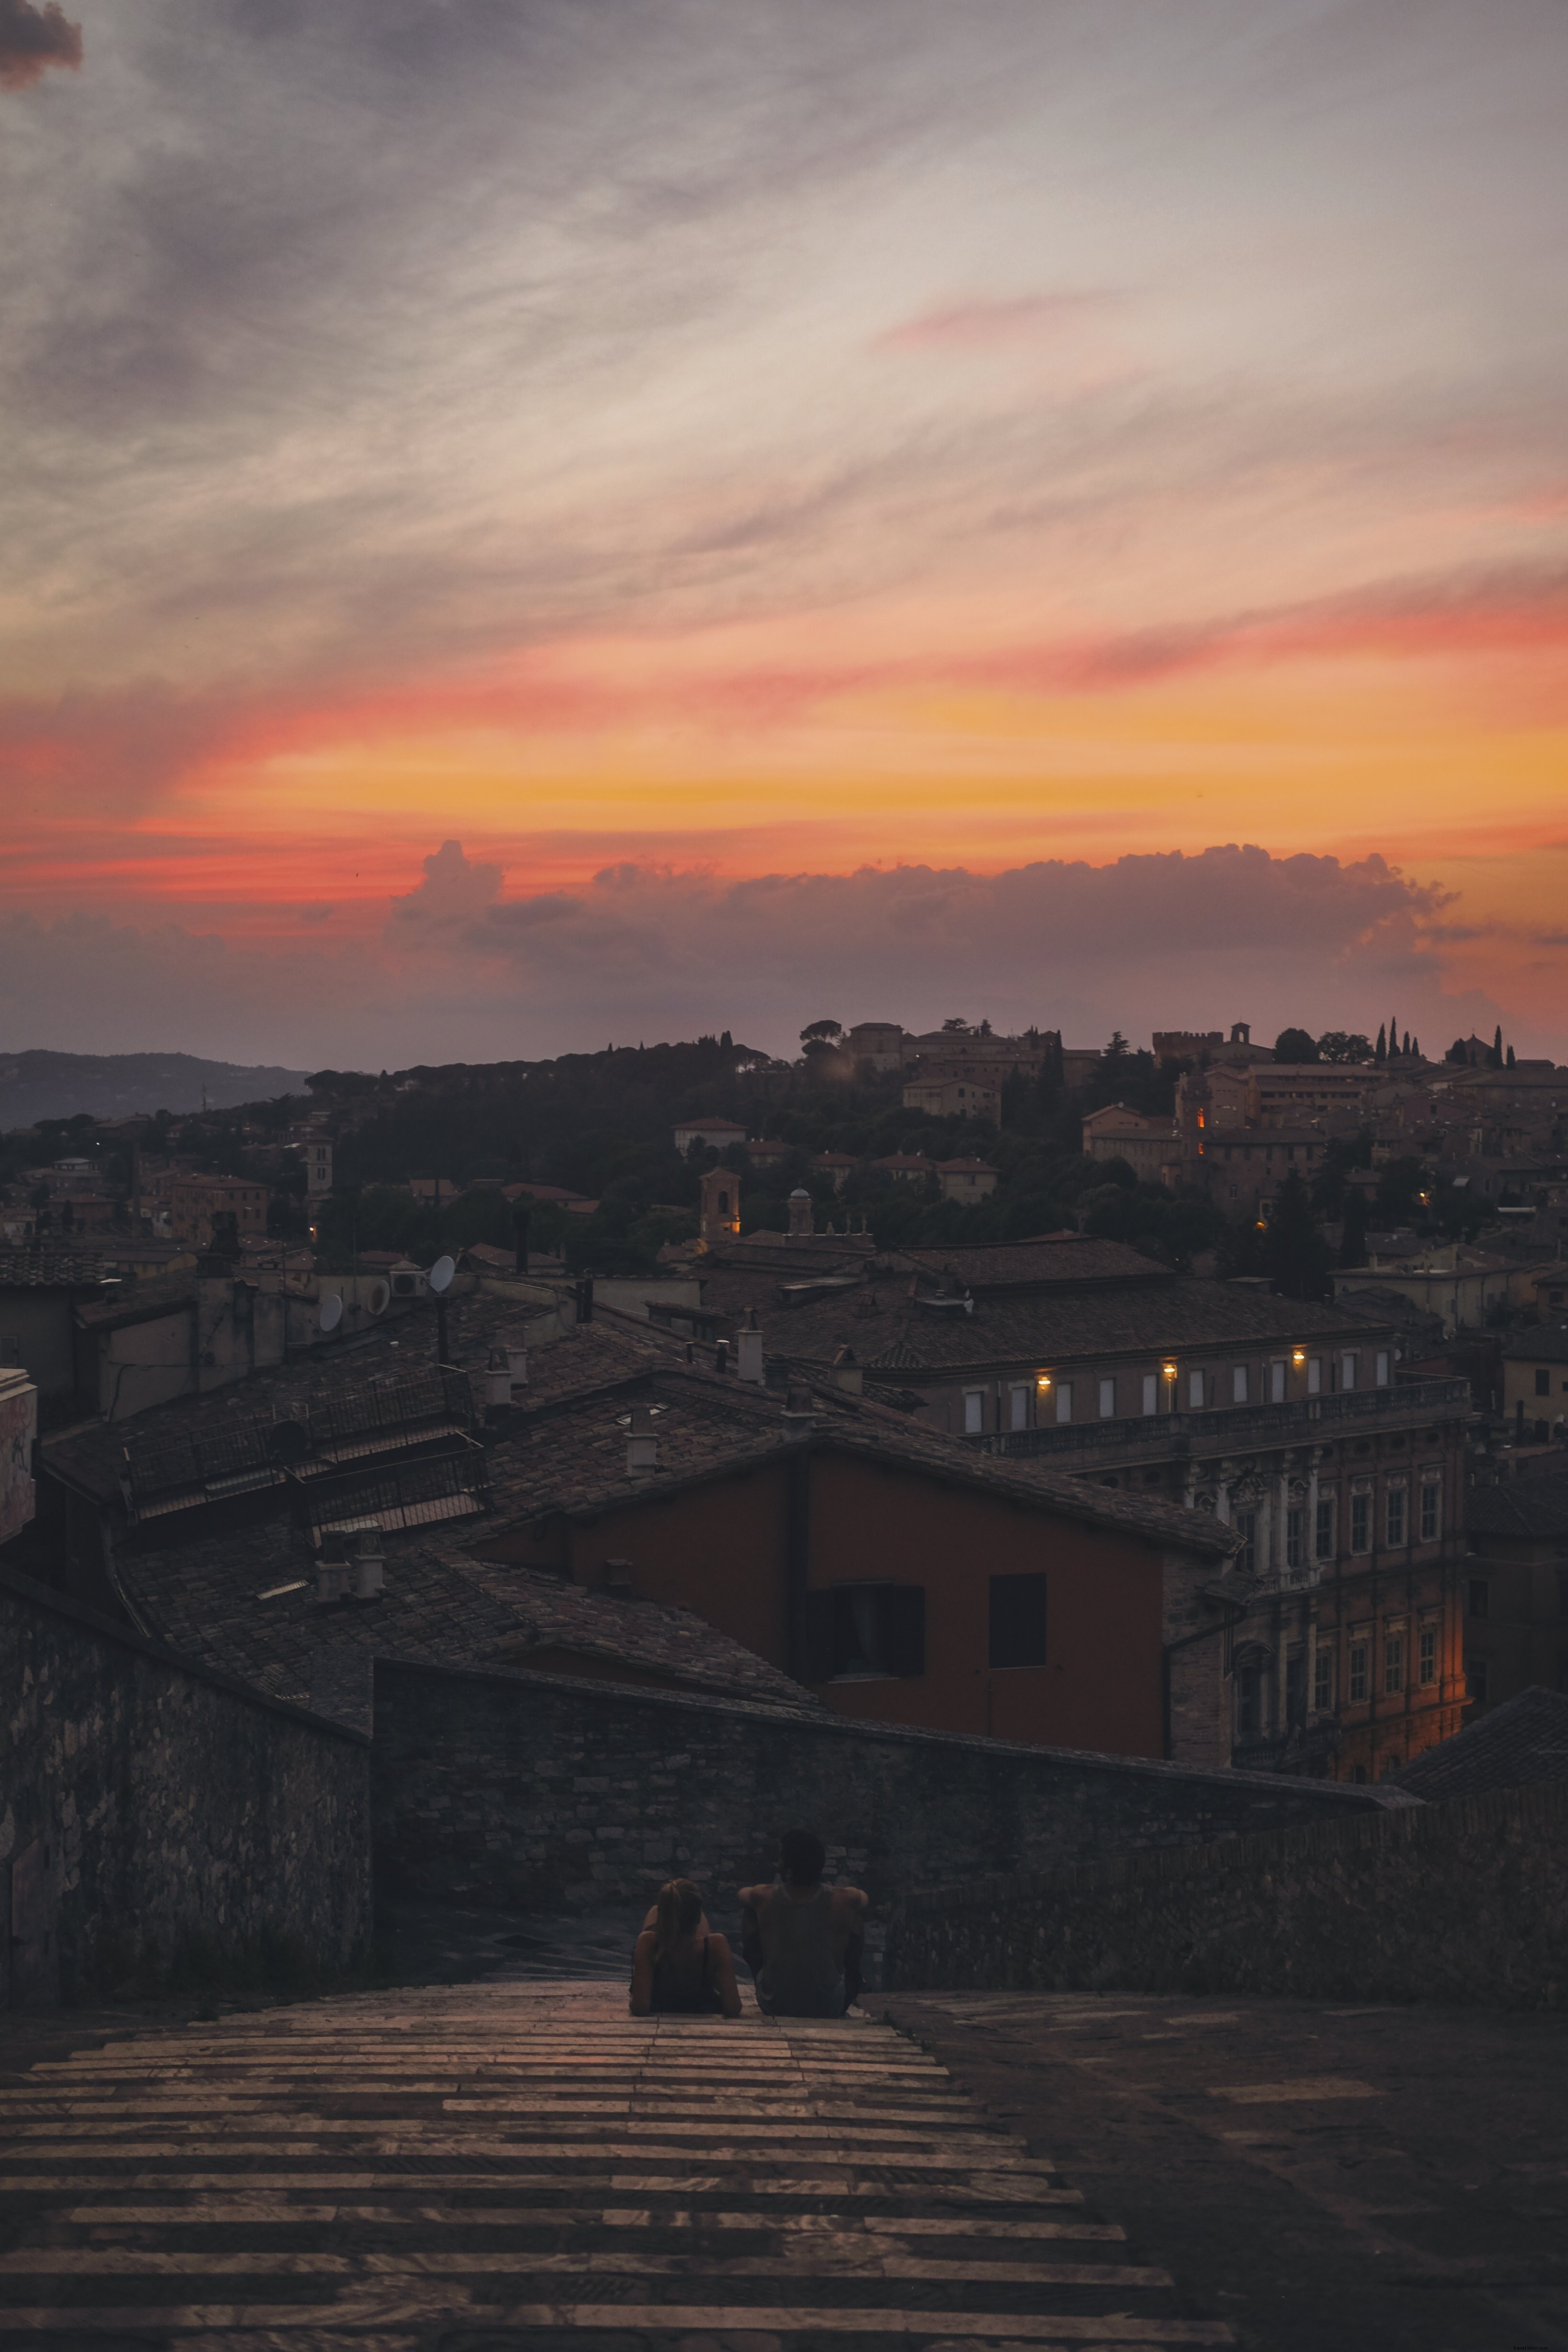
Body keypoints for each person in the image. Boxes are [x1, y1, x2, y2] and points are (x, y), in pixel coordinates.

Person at [739, 1828, 868, 2018]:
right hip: (829, 2006)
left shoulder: (764, 1895)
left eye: (780, 1859)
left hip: (774, 2004)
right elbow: (864, 1900)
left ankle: (764, 1979)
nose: (777, 1864)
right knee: (857, 1916)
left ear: (788, 1867)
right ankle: (852, 1976)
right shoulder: (845, 1899)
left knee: (750, 1912)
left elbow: (742, 1895)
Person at [629, 1878, 742, 2018]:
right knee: (702, 1944)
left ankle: (672, 1911)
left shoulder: (648, 1942)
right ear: (698, 1918)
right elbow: (733, 2007)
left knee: (654, 1911)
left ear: (663, 1917)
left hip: (661, 2000)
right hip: (700, 2002)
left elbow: (640, 2007)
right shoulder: (717, 1944)